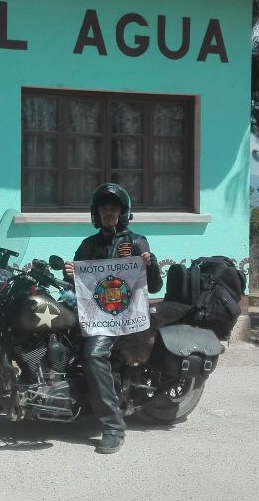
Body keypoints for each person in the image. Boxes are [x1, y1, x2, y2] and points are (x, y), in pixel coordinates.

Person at [65, 182, 162, 454]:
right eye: (104, 207)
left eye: (114, 207)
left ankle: (113, 427)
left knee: (94, 355)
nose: (109, 212)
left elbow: (154, 286)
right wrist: (69, 272)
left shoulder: (136, 241)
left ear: (123, 212)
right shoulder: (88, 245)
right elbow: (76, 283)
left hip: (125, 316)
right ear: (96, 212)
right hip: (97, 313)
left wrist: (149, 263)